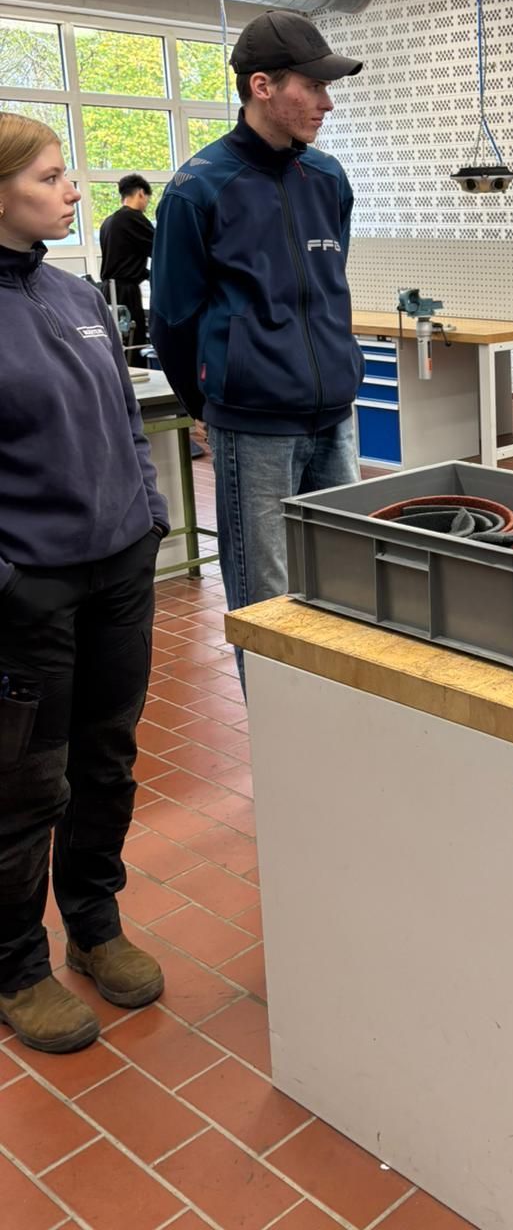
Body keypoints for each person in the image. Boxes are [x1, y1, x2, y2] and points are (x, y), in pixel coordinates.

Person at [0, 113, 169, 1055]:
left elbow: (125, 422)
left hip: (120, 570)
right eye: (50, 176)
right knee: (28, 782)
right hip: (31, 590)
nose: (73, 190)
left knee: (107, 759)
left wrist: (149, 517)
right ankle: (16, 966)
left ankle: (94, 926)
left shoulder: (74, 294)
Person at [149, 11, 365, 688]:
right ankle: (278, 729)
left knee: (347, 582)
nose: (327, 103)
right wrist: (207, 404)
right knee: (266, 599)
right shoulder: (197, 189)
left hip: (334, 416)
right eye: (314, 86)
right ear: (263, 86)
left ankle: (342, 720)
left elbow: (327, 289)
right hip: (254, 424)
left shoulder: (327, 178)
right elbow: (174, 318)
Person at [98, 172, 155, 353]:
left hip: (109, 291)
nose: (146, 204)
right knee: (133, 345)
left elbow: (124, 258)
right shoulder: (133, 218)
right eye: (147, 199)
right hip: (125, 293)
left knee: (114, 345)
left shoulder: (109, 221)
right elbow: (161, 249)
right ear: (141, 193)